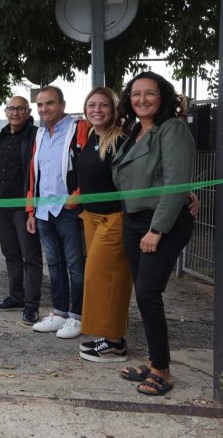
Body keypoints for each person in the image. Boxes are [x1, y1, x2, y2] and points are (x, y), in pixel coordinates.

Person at [113, 72, 195, 396]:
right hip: (134, 222)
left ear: (162, 96)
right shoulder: (134, 132)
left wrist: (157, 229)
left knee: (148, 292)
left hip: (161, 222)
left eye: (149, 93)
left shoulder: (171, 129)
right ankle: (153, 360)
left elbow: (175, 182)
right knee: (145, 295)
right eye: (135, 94)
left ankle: (163, 370)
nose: (142, 99)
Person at [73, 87, 134, 362]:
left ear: (114, 109)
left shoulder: (121, 139)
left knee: (108, 277)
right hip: (91, 217)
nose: (97, 110)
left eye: (104, 105)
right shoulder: (89, 136)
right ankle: (106, 335)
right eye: (92, 105)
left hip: (114, 218)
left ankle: (115, 343)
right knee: (97, 278)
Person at [26, 86, 90, 339]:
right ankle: (60, 312)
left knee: (75, 264)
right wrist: (31, 209)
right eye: (40, 105)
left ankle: (79, 316)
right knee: (54, 264)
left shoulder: (78, 129)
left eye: (49, 103)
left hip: (68, 210)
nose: (44, 109)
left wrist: (76, 198)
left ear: (62, 104)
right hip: (44, 211)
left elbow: (87, 166)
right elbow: (34, 174)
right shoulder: (40, 134)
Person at [0, 96, 43, 325]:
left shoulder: (35, 135)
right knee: (10, 253)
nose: (15, 113)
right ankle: (16, 296)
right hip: (2, 206)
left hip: (24, 206)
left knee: (30, 257)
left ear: (28, 111)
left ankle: (32, 305)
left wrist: (32, 209)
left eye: (20, 109)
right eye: (11, 108)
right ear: (5, 110)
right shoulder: (2, 135)